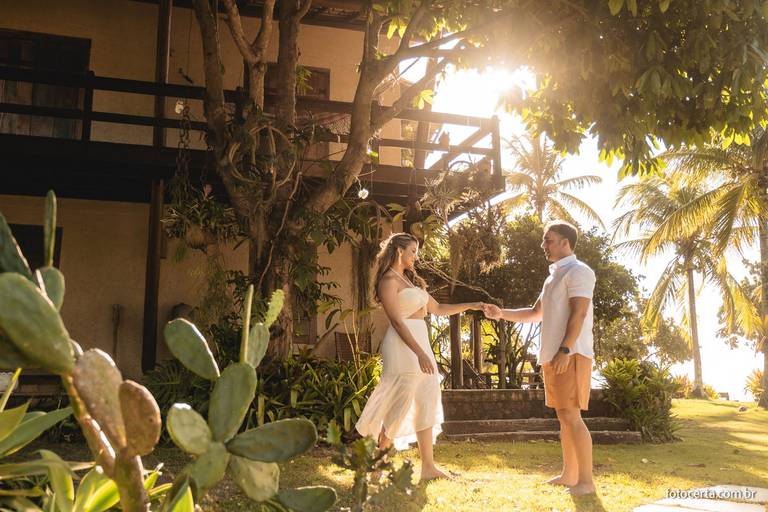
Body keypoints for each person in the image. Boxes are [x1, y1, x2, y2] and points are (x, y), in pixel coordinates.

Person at [355, 232, 484, 481]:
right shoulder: (388, 281)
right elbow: (396, 321)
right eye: (413, 251)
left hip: (421, 342)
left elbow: (438, 309)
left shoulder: (411, 282)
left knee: (426, 399)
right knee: (399, 404)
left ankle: (428, 467)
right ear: (399, 251)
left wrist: (471, 305)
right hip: (403, 346)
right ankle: (376, 465)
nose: (416, 256)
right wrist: (420, 353)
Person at [484, 221, 597, 495]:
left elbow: (579, 313)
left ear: (565, 243)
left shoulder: (579, 271)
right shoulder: (553, 277)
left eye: (549, 240)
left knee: (572, 416)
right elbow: (535, 313)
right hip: (554, 354)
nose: (543, 245)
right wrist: (501, 314)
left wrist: (565, 350)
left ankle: (586, 482)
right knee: (564, 416)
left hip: (571, 354)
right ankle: (569, 475)